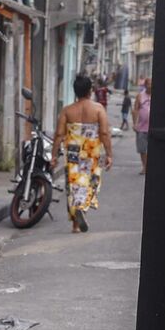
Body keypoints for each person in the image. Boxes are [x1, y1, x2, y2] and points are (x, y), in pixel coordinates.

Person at [52, 73, 114, 232]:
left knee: (73, 185)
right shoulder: (98, 109)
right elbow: (105, 133)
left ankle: (75, 223)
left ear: (75, 91)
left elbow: (59, 134)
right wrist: (109, 154)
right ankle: (82, 209)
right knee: (88, 183)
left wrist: (53, 155)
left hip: (72, 153)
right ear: (90, 91)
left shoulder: (67, 110)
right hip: (91, 153)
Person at [134, 78, 152, 175]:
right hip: (142, 127)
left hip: (152, 128)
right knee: (142, 149)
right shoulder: (140, 96)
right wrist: (135, 123)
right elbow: (136, 109)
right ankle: (144, 167)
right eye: (148, 84)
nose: (150, 86)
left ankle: (151, 166)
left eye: (151, 84)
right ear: (145, 85)